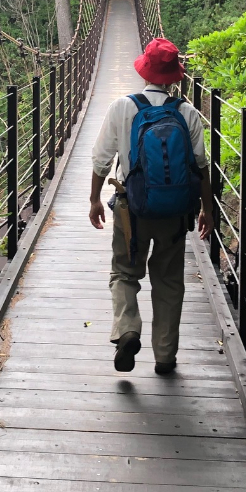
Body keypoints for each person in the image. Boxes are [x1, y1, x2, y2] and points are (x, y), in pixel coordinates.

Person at [88, 37, 213, 375]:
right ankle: (165, 357)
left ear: (144, 71)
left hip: (131, 209)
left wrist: (94, 199)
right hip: (175, 212)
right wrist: (207, 209)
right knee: (169, 281)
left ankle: (128, 329)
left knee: (124, 272)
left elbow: (101, 160)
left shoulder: (121, 107)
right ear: (174, 77)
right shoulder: (187, 113)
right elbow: (200, 167)